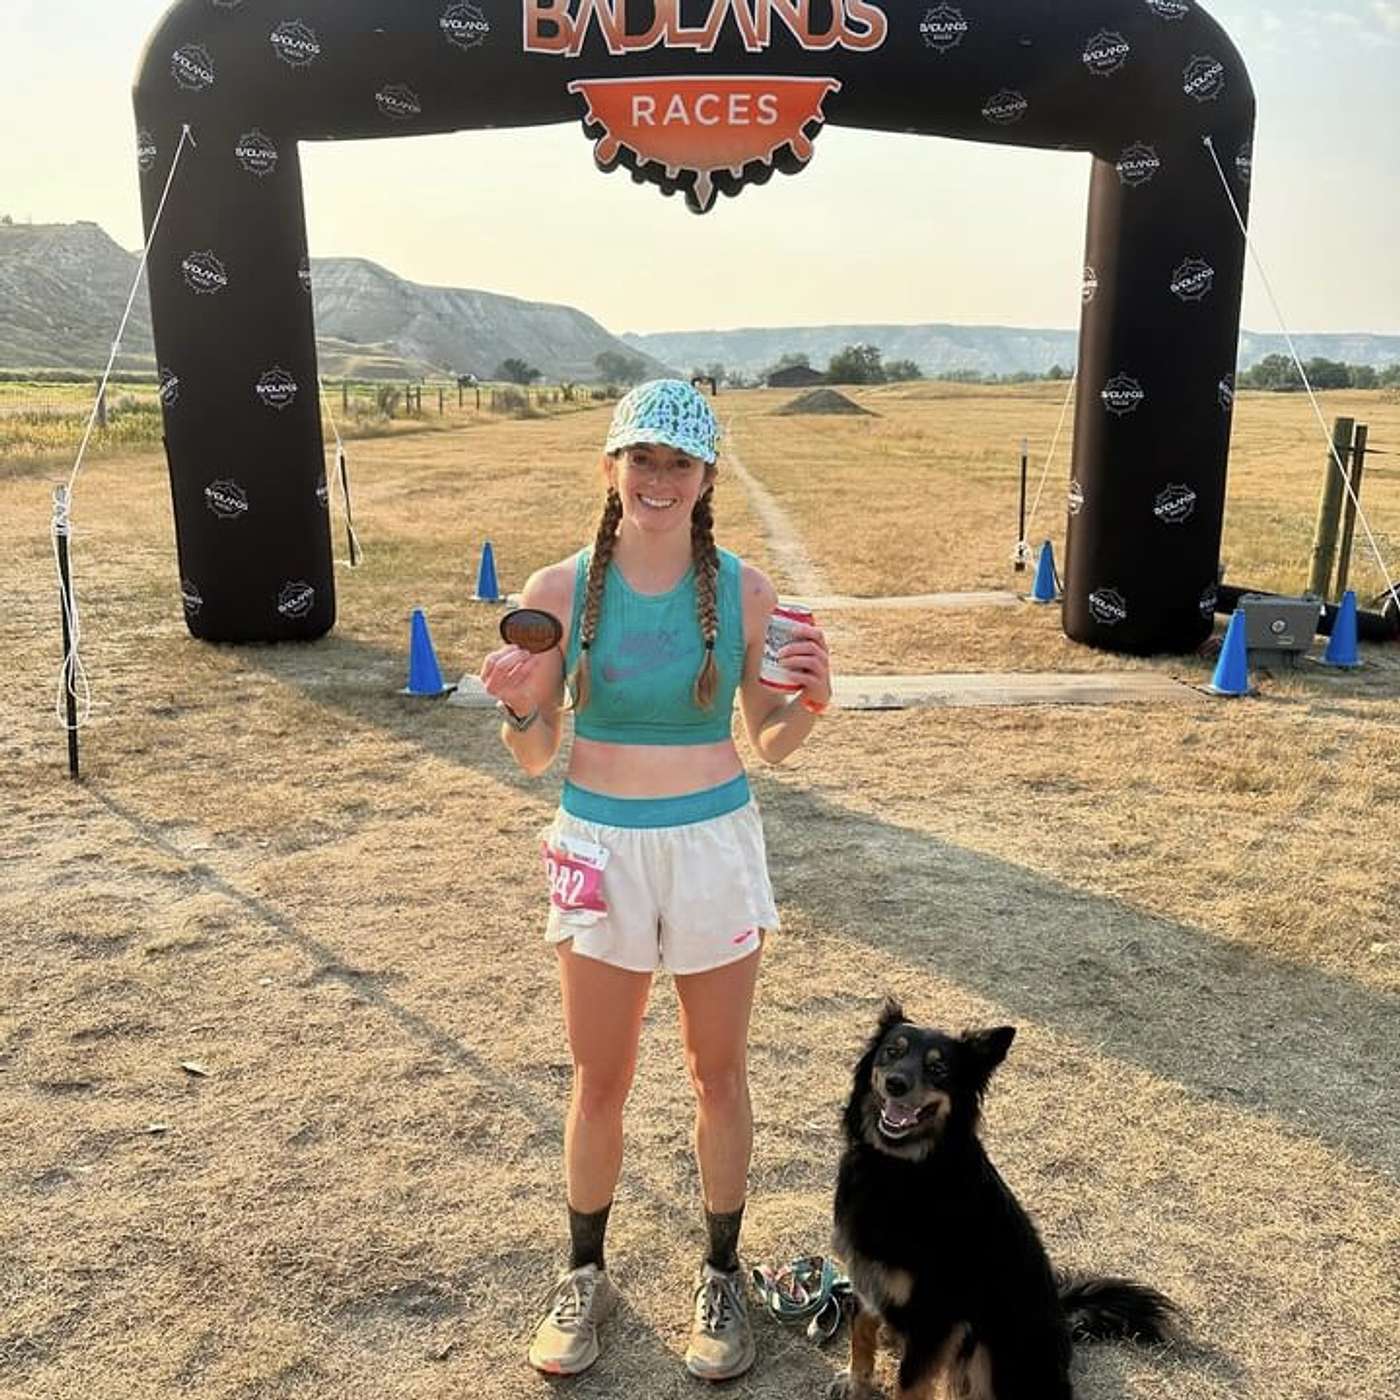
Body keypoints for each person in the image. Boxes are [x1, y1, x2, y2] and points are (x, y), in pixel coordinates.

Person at [479, 379, 832, 1382]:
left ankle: (720, 1275)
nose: (660, 479)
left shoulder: (746, 591)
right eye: (643, 458)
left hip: (712, 846)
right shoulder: (558, 590)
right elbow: (535, 754)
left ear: (707, 475)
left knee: (718, 1074)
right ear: (611, 466)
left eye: (680, 462)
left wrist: (813, 699)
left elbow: (770, 741)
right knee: (600, 1079)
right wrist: (518, 708)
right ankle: (582, 1273)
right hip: (598, 847)